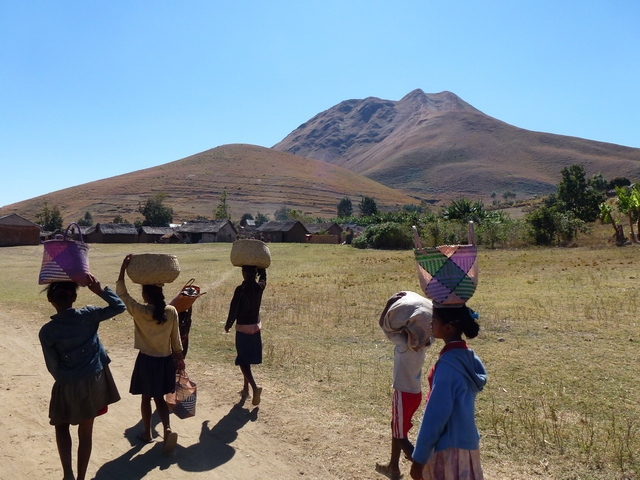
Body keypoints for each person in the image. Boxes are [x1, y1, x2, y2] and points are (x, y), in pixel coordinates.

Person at [39, 275, 126, 480]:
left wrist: (67, 380)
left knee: (61, 425)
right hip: (94, 381)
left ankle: (67, 474)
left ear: (50, 300)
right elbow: (119, 307)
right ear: (74, 299)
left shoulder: (47, 331)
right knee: (86, 432)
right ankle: (80, 478)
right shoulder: (88, 315)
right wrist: (100, 291)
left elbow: (53, 366)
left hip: (67, 382)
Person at [116, 254, 185, 454]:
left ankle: (147, 433)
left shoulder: (139, 311)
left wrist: (123, 267)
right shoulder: (171, 311)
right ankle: (167, 428)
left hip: (146, 361)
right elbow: (176, 340)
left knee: (146, 398)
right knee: (160, 398)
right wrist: (179, 358)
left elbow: (122, 293)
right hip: (165, 362)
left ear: (146, 295)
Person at [409, 305, 487, 480]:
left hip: (448, 448)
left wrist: (419, 458)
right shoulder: (468, 357)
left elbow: (435, 416)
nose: (430, 324)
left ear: (448, 328)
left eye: (434, 321)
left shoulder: (448, 366)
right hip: (467, 443)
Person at [376, 291, 433, 480]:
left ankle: (424, 468)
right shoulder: (424, 343)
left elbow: (383, 325)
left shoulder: (402, 343)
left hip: (402, 393)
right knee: (398, 429)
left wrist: (389, 303)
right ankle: (393, 467)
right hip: (415, 394)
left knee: (400, 436)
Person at [224, 265, 267, 406]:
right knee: (247, 360)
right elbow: (264, 279)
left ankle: (255, 387)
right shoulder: (259, 287)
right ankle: (245, 390)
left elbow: (234, 308)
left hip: (243, 328)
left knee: (242, 361)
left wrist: (228, 324)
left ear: (243, 273)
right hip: (255, 328)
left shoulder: (240, 290)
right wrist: (262, 269)